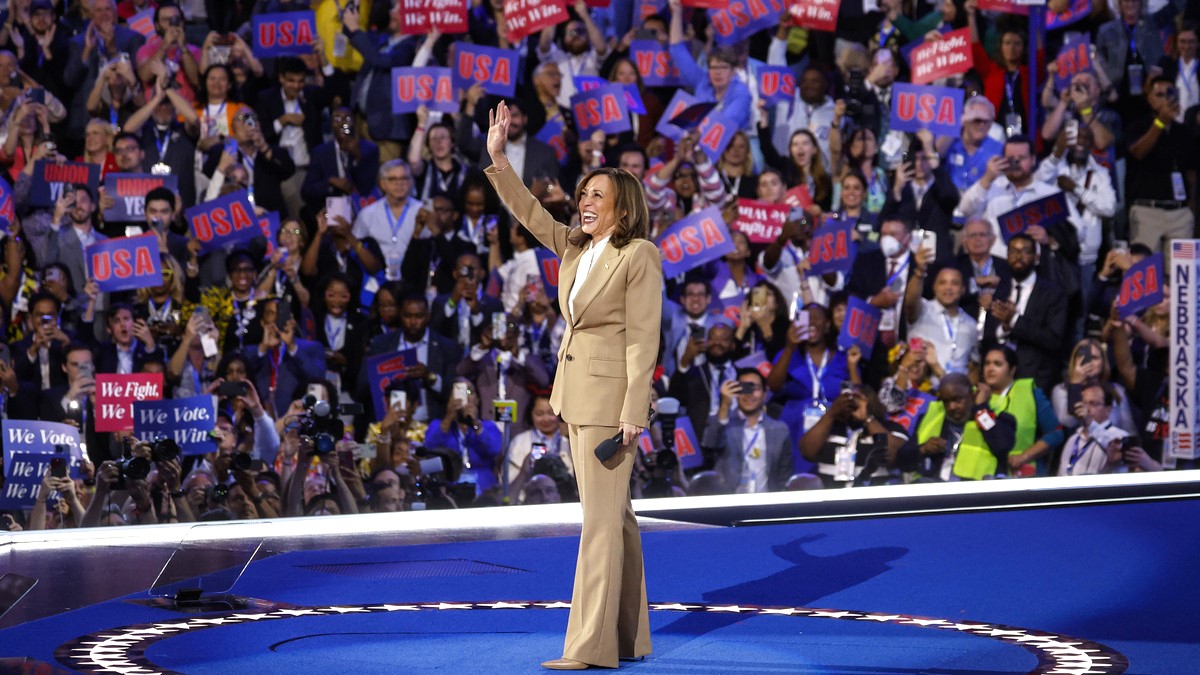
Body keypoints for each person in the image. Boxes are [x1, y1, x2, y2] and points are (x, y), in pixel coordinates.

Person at [484, 101, 659, 670]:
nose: (584, 203)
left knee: (599, 527)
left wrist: (634, 409)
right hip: (575, 395)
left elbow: (642, 339)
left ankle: (589, 647)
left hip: (612, 404)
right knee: (616, 519)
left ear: (622, 207)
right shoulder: (578, 250)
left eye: (596, 197)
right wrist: (499, 160)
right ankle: (630, 637)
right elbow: (531, 214)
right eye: (582, 195)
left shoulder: (639, 256)